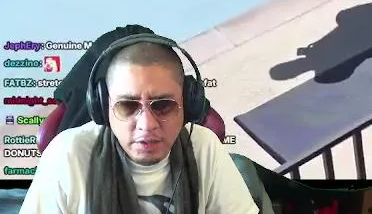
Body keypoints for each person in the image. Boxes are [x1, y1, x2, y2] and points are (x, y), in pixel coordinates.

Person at [20, 34, 257, 214]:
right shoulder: (67, 156)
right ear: (103, 108)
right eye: (127, 106)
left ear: (187, 105)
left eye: (163, 105)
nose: (146, 124)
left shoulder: (203, 148)